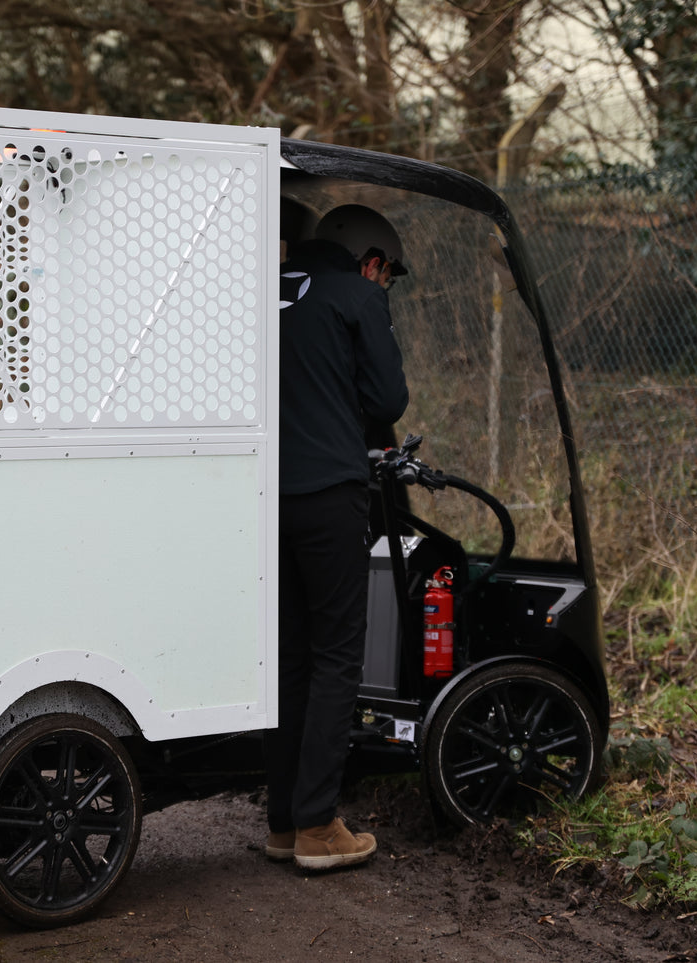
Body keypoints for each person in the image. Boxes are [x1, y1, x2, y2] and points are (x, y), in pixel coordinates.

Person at [266, 204, 410, 871]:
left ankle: (282, 819)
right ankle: (319, 824)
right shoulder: (356, 293)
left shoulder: (264, 285)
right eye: (385, 274)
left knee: (290, 657)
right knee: (334, 657)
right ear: (372, 261)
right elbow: (385, 401)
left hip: (263, 497)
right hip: (328, 496)